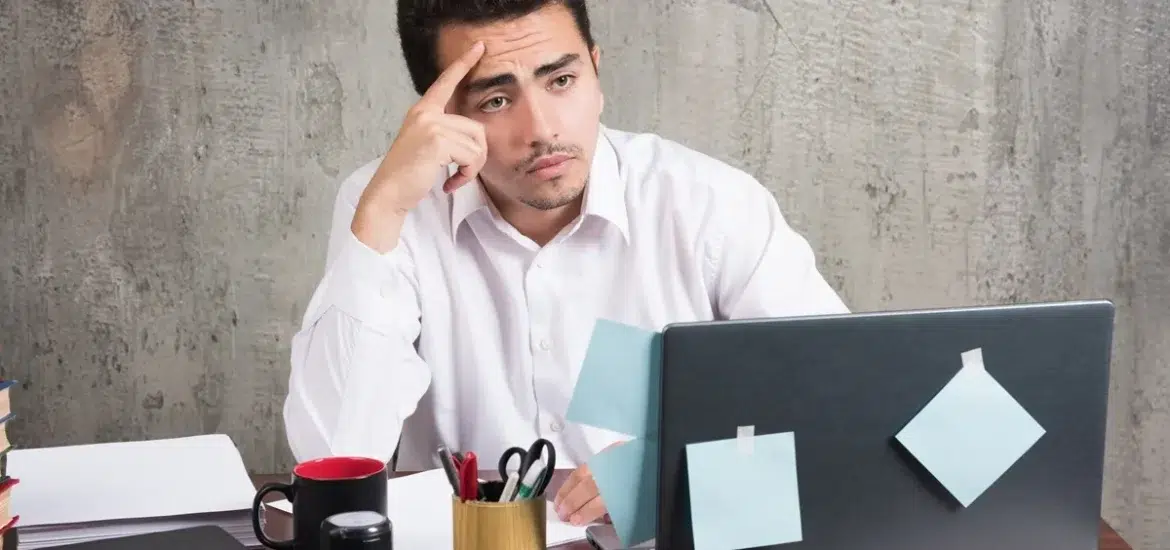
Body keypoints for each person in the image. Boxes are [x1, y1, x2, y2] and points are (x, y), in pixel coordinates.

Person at [282, 0, 849, 528]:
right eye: (496, 100)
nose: (543, 130)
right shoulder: (388, 205)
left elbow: (846, 416)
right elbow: (331, 460)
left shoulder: (710, 205)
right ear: (440, 114)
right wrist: (382, 211)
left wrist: (688, 479)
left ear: (596, 74)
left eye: (562, 81)